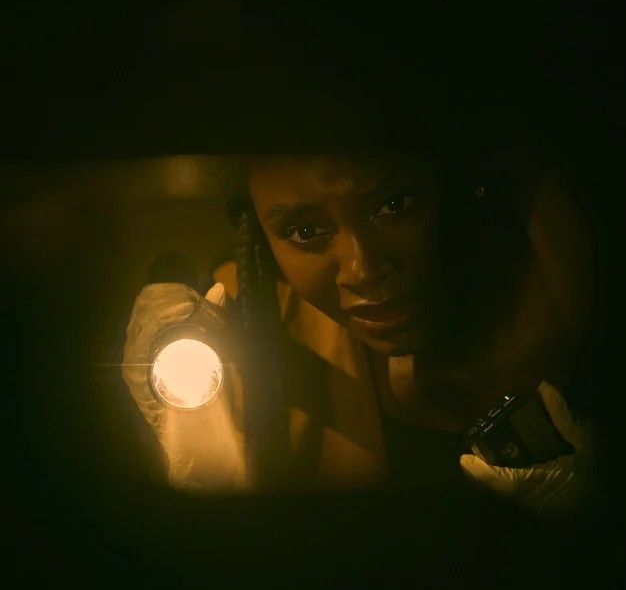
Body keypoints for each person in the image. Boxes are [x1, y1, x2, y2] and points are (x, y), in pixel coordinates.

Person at [122, 144, 599, 520]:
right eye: (305, 231)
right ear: (262, 240)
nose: (363, 269)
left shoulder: (559, 274)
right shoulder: (247, 328)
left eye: (394, 205)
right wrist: (202, 465)